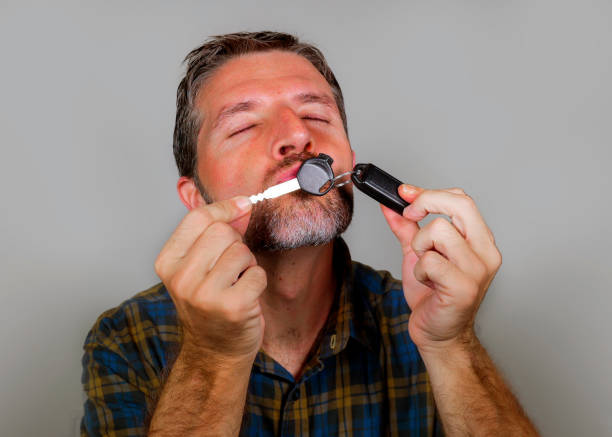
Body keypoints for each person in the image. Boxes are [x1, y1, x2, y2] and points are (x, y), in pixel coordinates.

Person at [81, 31, 539, 436]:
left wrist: (450, 345)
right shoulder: (128, 338)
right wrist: (214, 357)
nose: (298, 136)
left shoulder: (422, 322)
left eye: (317, 117)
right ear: (197, 197)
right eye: (243, 125)